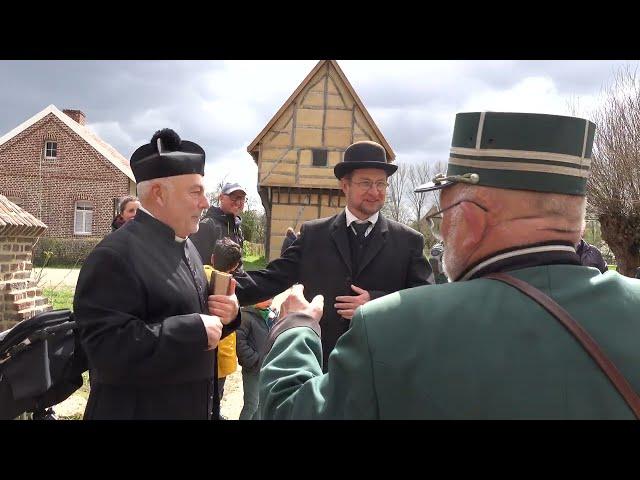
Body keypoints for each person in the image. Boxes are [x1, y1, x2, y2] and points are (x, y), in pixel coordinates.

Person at [258, 111, 640, 419]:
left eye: (444, 212)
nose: (440, 228)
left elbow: (291, 412)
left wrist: (296, 328)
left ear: (471, 219)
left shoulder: (391, 327)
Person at [74, 128, 241, 420]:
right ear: (158, 194)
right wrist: (192, 331)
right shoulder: (113, 256)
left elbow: (196, 320)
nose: (205, 203)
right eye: (196, 192)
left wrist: (227, 316)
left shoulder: (187, 245)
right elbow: (106, 349)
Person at [236, 140, 432, 372]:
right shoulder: (313, 234)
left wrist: (378, 303)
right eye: (366, 183)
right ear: (345, 185)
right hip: (321, 365)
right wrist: (216, 288)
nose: (375, 191)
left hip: (381, 368)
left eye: (381, 184)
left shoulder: (408, 241)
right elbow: (272, 277)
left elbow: (425, 300)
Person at [204, 237, 243, 416]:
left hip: (201, 352)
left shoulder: (199, 274)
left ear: (212, 258)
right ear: (235, 266)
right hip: (223, 357)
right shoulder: (233, 287)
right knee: (216, 398)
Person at [235, 297, 277, 420]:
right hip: (253, 368)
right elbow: (239, 342)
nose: (270, 301)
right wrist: (254, 360)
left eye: (272, 298)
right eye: (266, 298)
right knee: (251, 404)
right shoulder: (245, 316)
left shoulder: (270, 314)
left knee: (261, 404)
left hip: (266, 366)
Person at [190, 181, 246, 271]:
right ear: (221, 198)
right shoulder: (206, 225)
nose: (238, 202)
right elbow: (197, 265)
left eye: (242, 198)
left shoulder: (237, 229)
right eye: (233, 197)